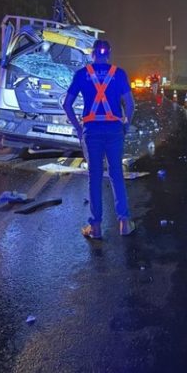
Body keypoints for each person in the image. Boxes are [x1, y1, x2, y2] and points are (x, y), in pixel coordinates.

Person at [63, 39, 137, 239]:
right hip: (114, 130)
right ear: (109, 53)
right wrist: (126, 125)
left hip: (92, 132)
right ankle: (124, 223)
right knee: (116, 174)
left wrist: (79, 129)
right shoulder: (119, 73)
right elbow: (130, 105)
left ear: (92, 53)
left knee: (94, 177)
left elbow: (67, 104)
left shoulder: (82, 74)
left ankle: (95, 227)